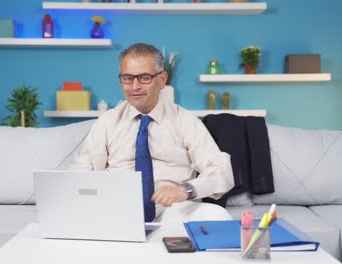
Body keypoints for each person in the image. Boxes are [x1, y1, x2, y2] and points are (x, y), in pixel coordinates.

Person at [70, 43, 234, 222]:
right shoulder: (107, 122)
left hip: (173, 209)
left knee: (216, 216)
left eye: (144, 77)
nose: (134, 86)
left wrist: (185, 190)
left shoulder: (185, 121)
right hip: (116, 208)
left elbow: (221, 171)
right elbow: (81, 173)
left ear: (162, 80)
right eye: (127, 78)